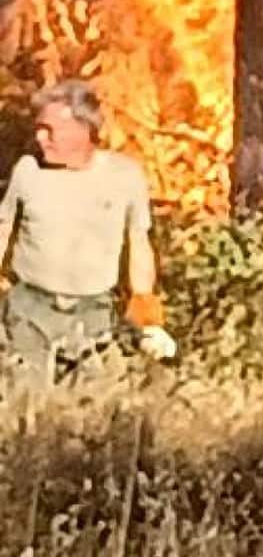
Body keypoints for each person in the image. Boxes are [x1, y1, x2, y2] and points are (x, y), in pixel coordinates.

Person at [0, 79, 176, 385]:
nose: (41, 138)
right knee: (27, 404)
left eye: (51, 129)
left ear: (83, 130)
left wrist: (147, 316)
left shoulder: (124, 176)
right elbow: (2, 230)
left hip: (94, 314)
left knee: (91, 409)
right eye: (39, 128)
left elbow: (138, 243)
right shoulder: (28, 171)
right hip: (30, 312)